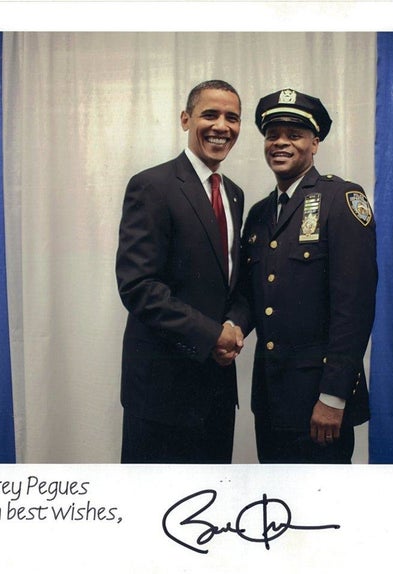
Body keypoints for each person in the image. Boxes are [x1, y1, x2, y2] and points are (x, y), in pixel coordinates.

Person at [235, 88, 377, 463]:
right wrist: (232, 327)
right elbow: (253, 296)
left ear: (315, 143)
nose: (280, 143)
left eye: (294, 135)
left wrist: (333, 397)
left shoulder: (341, 200)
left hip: (320, 403)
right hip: (269, 399)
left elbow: (354, 308)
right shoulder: (261, 213)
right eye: (272, 134)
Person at [115, 80, 247, 463]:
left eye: (232, 117)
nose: (222, 126)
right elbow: (138, 286)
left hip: (217, 392)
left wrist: (235, 327)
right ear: (186, 119)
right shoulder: (151, 186)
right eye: (210, 114)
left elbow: (231, 283)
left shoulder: (234, 194)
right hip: (161, 395)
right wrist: (212, 335)